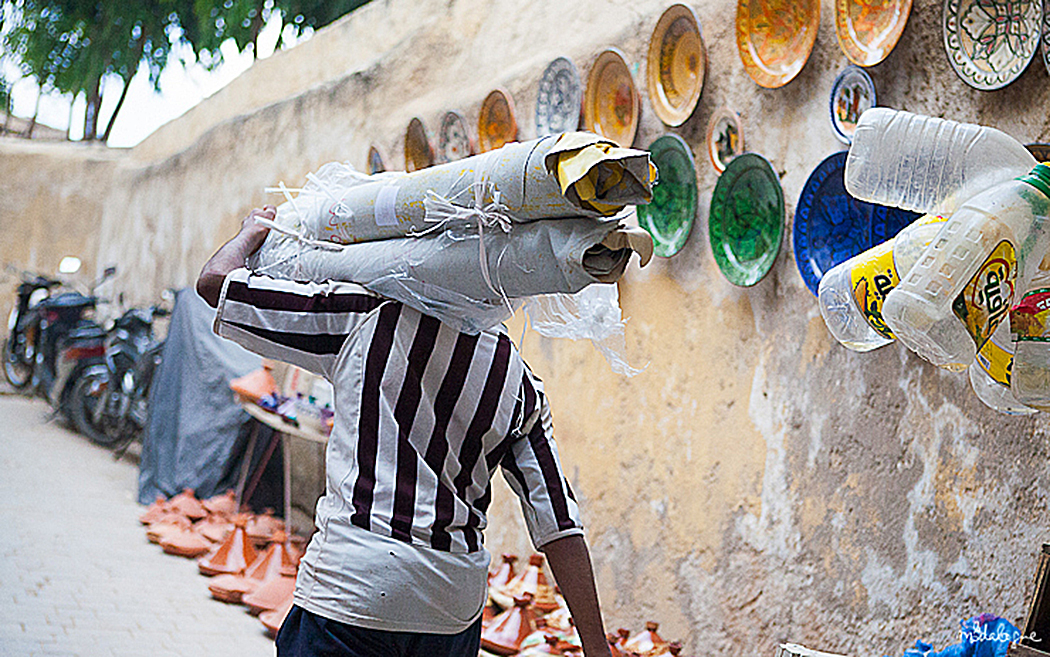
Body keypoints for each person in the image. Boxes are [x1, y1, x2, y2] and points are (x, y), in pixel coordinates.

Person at [197, 205, 613, 657]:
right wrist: (596, 648)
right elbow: (559, 524)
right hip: (450, 610)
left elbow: (215, 284)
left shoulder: (361, 318)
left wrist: (251, 232)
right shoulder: (518, 380)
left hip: (351, 590)